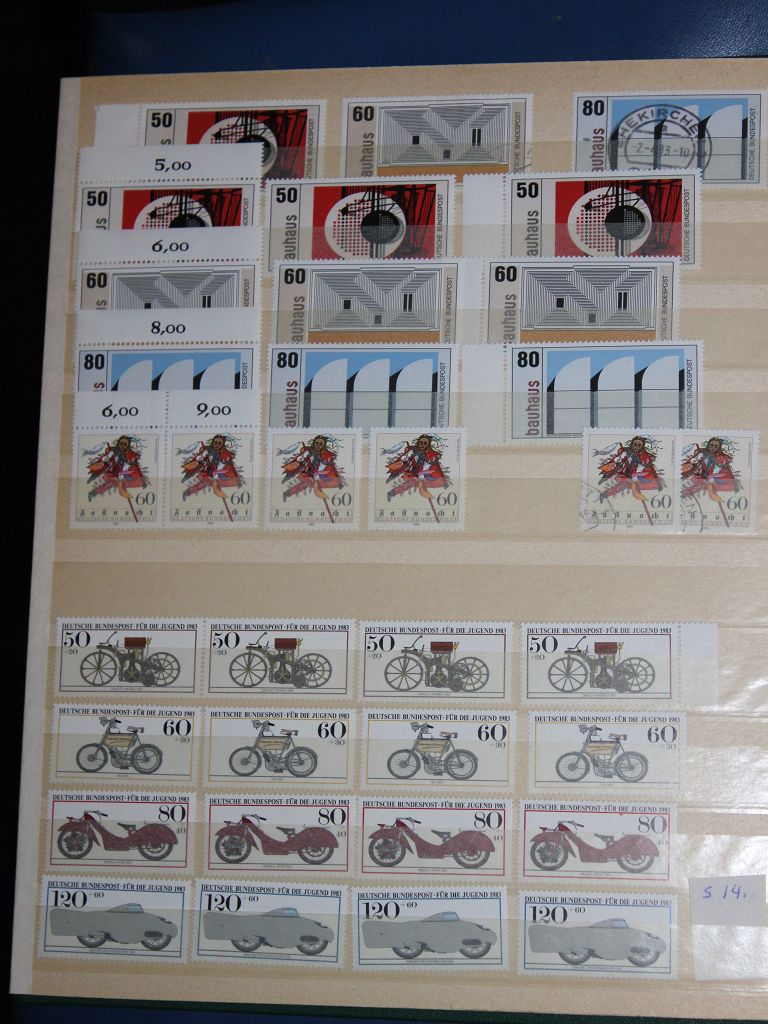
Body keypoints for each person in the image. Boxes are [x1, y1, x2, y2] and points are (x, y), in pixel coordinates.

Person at [383, 433, 450, 501]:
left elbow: (429, 465)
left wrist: (422, 473)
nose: (422, 445)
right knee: (411, 481)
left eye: (425, 443)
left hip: (426, 473)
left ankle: (392, 492)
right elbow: (403, 461)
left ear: (428, 444)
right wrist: (405, 458)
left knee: (425, 482)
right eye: (421, 442)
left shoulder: (431, 454)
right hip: (414, 471)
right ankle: (392, 493)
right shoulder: (413, 450)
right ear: (418, 442)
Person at [595, 435, 662, 502]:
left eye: (639, 445)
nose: (636, 446)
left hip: (634, 475)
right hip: (623, 470)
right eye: (635, 444)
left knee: (624, 484)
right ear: (632, 444)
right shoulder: (626, 451)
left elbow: (648, 469)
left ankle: (604, 494)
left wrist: (658, 483)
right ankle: (604, 479)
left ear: (642, 446)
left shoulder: (645, 456)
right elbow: (616, 461)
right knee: (616, 469)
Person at [278, 435, 345, 501]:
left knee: (312, 483)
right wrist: (302, 458)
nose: (318, 445)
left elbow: (331, 468)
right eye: (317, 443)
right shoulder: (308, 451)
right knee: (306, 482)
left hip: (320, 475)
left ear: (323, 445)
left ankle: (288, 493)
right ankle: (287, 493)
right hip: (308, 472)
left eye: (321, 444)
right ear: (314, 443)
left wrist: (338, 481)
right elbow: (299, 462)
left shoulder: (327, 455)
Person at [86, 435, 148, 502]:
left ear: (128, 445)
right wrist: (105, 460)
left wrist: (142, 480)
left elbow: (136, 468)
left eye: (125, 444)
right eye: (121, 443)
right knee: (111, 483)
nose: (122, 446)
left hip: (126, 476)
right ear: (118, 443)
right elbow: (104, 461)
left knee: (125, 483)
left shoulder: (131, 455)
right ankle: (93, 493)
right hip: (114, 474)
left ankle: (94, 493)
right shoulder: (113, 452)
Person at [179, 434, 241, 500]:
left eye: (219, 443)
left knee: (226, 483)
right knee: (206, 482)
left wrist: (238, 479)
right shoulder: (207, 451)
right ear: (213, 442)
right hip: (209, 473)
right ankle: (187, 492)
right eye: (215, 442)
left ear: (222, 444)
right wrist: (188, 475)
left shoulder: (226, 454)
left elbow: (230, 467)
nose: (217, 445)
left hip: (223, 476)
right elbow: (198, 463)